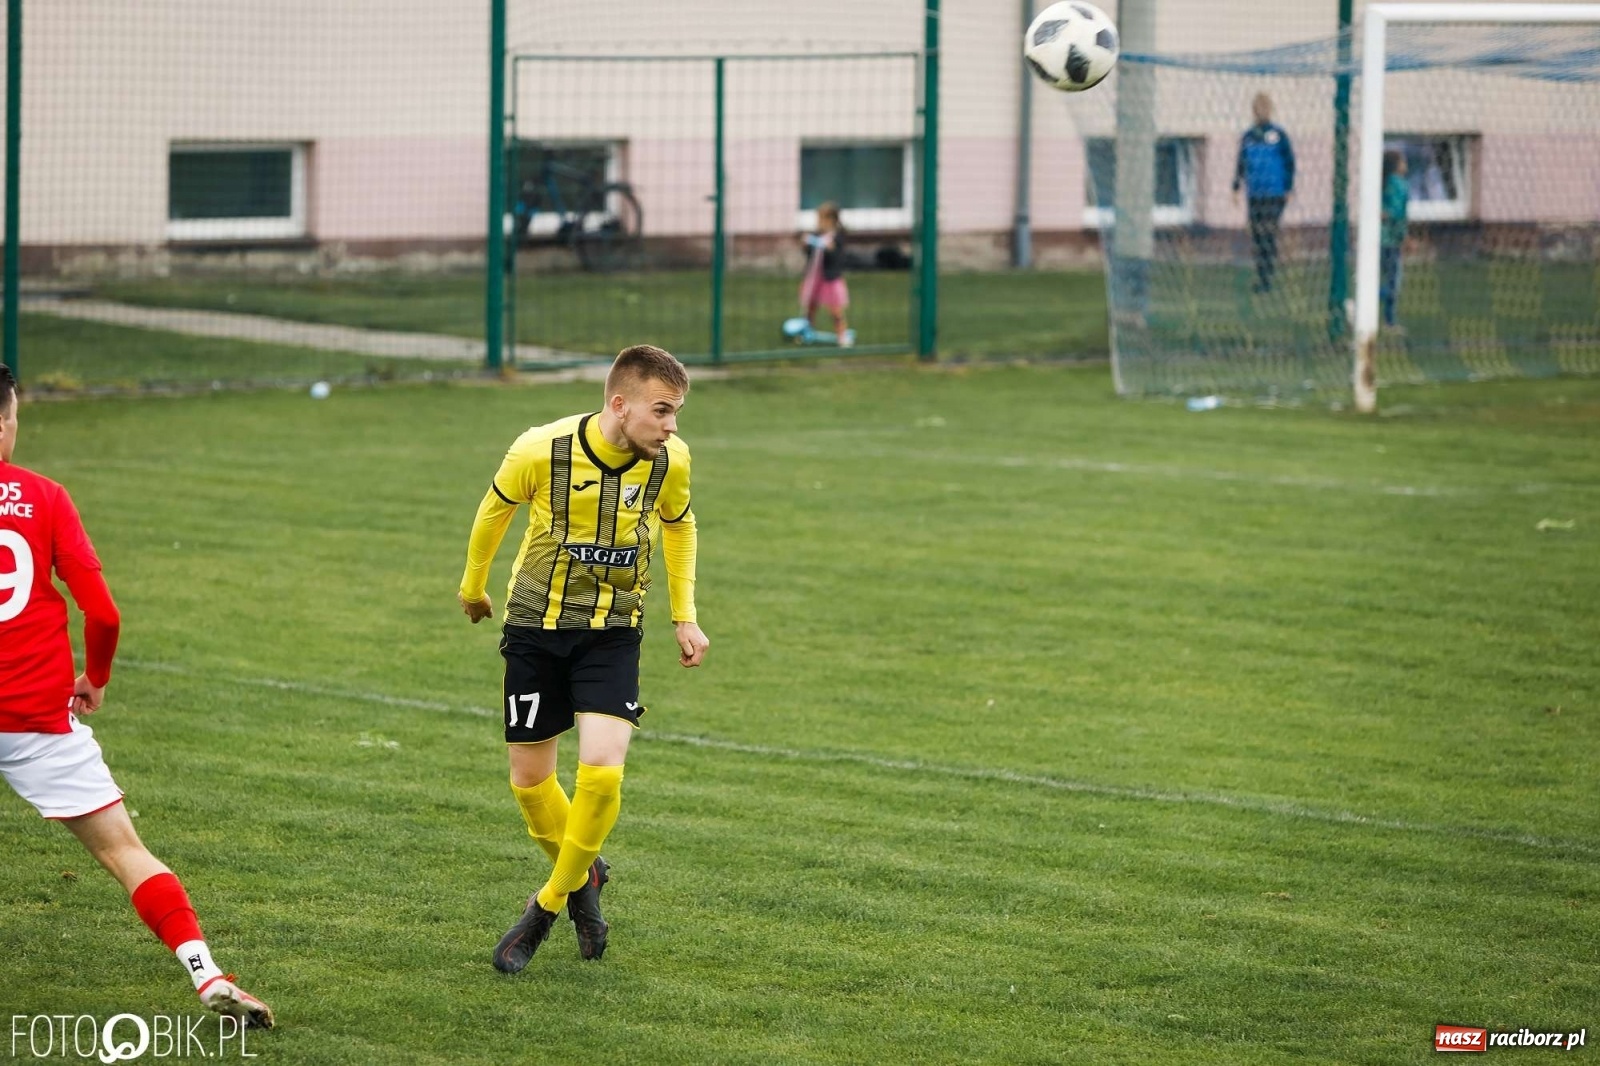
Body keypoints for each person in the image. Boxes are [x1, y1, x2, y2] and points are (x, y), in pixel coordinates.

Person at [0, 364, 273, 1028]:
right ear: (5, 424)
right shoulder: (46, 497)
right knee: (124, 851)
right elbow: (103, 613)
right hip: (36, 719)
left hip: (34, 716)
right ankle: (206, 973)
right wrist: (95, 676)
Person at [457, 343, 710, 973]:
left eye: (676, 412)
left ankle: (545, 907)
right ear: (620, 405)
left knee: (602, 769)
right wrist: (473, 587)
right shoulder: (540, 449)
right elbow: (494, 512)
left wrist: (684, 615)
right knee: (530, 783)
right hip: (534, 628)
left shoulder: (671, 460)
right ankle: (586, 877)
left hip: (612, 632)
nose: (672, 426)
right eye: (662, 411)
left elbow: (679, 525)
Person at [1233, 92, 1296, 294]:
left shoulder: (1278, 135)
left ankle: (1267, 277)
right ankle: (1262, 275)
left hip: (1274, 192)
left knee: (1268, 232)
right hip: (1255, 193)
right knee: (1257, 235)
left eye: (1265, 107)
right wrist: (1236, 187)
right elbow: (1241, 163)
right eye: (1258, 107)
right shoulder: (1249, 136)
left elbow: (1289, 162)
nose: (1261, 111)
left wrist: (1288, 187)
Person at [799, 201, 854, 346]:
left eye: (821, 219)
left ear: (831, 220)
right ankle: (807, 331)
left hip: (830, 278)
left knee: (835, 310)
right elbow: (810, 254)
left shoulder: (837, 237)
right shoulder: (817, 234)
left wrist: (830, 249)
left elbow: (837, 258)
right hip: (815, 277)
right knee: (811, 306)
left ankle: (842, 335)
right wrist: (806, 245)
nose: (818, 223)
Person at [1380, 149, 1410, 331]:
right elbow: (1397, 213)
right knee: (1393, 283)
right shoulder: (1399, 184)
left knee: (1381, 278)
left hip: (1377, 238)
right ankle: (1389, 321)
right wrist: (1403, 237)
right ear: (1396, 165)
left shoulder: (1381, 181)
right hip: (1390, 240)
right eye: (1403, 161)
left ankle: (1389, 321)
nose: (1405, 165)